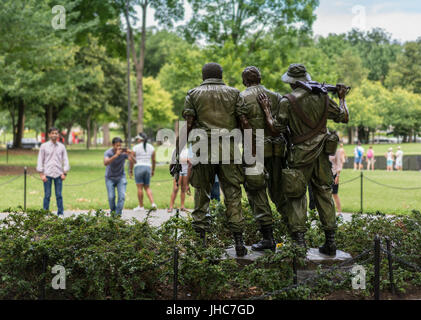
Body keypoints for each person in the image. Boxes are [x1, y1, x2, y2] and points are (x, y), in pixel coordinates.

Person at [257, 63, 349, 256]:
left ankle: (299, 241)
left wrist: (266, 111)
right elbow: (343, 116)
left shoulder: (287, 101)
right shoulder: (323, 97)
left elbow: (276, 128)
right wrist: (341, 99)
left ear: (291, 82)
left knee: (297, 196)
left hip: (299, 155)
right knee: (324, 193)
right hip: (322, 156)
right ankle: (330, 242)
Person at [178, 62, 247, 256]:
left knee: (202, 195)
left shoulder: (193, 94)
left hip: (203, 150)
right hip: (230, 150)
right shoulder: (235, 93)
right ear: (221, 75)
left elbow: (188, 125)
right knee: (233, 195)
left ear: (203, 76)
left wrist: (177, 154)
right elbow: (244, 124)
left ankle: (200, 243)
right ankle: (239, 242)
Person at [236, 66, 286, 251]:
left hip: (253, 150)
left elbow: (240, 126)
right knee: (280, 190)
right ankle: (294, 235)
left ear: (244, 81)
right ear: (261, 78)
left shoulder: (240, 98)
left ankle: (268, 237)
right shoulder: (276, 96)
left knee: (257, 192)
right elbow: (283, 124)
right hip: (276, 150)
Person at [36, 127, 70, 216]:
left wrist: (65, 173)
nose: (54, 135)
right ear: (49, 134)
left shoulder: (62, 147)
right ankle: (45, 213)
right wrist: (41, 174)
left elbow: (65, 160)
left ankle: (60, 213)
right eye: (52, 133)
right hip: (47, 174)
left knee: (59, 195)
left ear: (58, 135)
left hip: (59, 174)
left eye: (56, 133)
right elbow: (40, 160)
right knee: (47, 195)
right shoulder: (44, 146)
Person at [104, 137, 136, 215]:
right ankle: (113, 212)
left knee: (121, 197)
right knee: (111, 197)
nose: (119, 147)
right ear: (113, 145)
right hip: (109, 178)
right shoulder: (108, 152)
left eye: (120, 145)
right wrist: (116, 155)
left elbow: (134, 161)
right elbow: (105, 163)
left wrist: (131, 154)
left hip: (121, 177)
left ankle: (117, 216)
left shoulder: (123, 153)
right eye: (117, 145)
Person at [130, 133, 157, 211]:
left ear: (140, 139)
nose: (137, 140)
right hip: (148, 167)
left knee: (139, 188)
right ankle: (153, 203)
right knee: (147, 187)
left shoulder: (135, 147)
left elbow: (132, 160)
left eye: (138, 139)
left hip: (138, 167)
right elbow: (154, 160)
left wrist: (130, 170)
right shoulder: (151, 147)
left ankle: (141, 206)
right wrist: (153, 170)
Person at [168, 144, 192, 213]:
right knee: (175, 189)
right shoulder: (176, 150)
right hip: (178, 172)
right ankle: (171, 206)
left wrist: (187, 160)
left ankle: (182, 206)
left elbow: (191, 161)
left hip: (186, 171)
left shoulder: (188, 150)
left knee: (183, 189)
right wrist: (186, 160)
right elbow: (174, 160)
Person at [329, 146, 343, 217]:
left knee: (334, 194)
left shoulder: (337, 151)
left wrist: (338, 175)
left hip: (334, 174)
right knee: (326, 194)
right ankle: (329, 212)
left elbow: (339, 164)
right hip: (325, 175)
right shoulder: (324, 149)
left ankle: (339, 212)